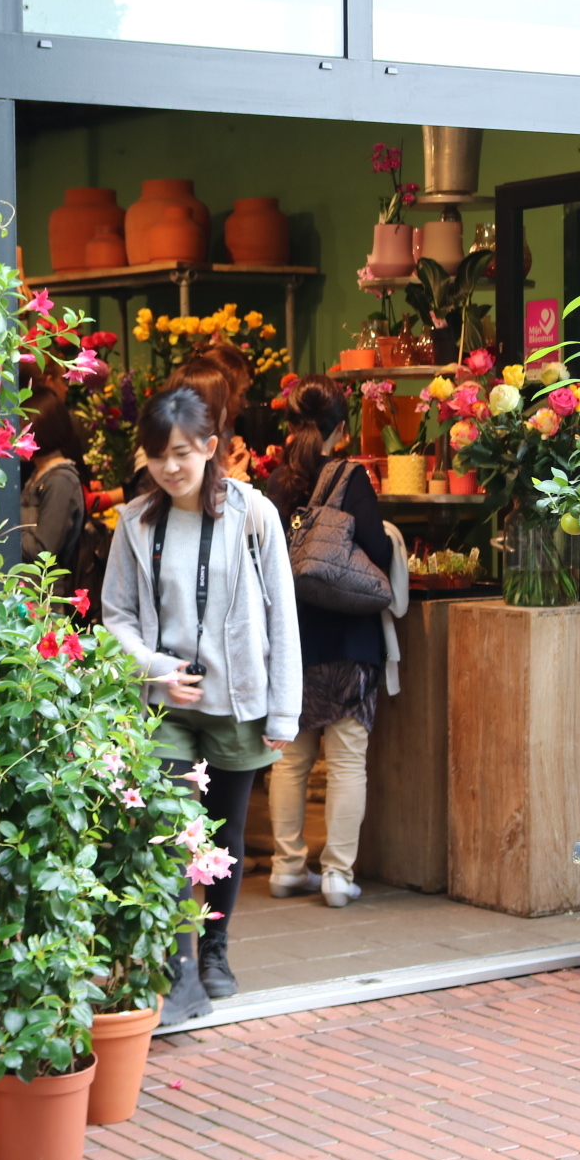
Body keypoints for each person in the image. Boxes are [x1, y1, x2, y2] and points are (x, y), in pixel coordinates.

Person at [102, 385, 300, 1010]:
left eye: (183, 453)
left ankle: (215, 950)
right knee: (169, 829)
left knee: (224, 837)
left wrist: (284, 710)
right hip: (165, 705)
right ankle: (178, 961)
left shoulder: (253, 514)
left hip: (237, 703)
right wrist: (155, 668)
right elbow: (116, 618)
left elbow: (283, 618)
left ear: (210, 448)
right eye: (158, 455)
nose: (170, 468)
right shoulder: (134, 523)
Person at [264, 375, 393, 909]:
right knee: (346, 760)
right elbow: (378, 556)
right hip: (348, 642)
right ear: (339, 429)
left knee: (290, 760)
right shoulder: (350, 476)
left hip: (294, 644)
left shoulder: (274, 486)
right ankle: (338, 875)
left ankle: (286, 868)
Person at [20, 383, 87, 595]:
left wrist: (2, 530)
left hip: (42, 598)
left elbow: (43, 551)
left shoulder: (60, 481)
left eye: (22, 429)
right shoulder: (39, 474)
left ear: (40, 430)